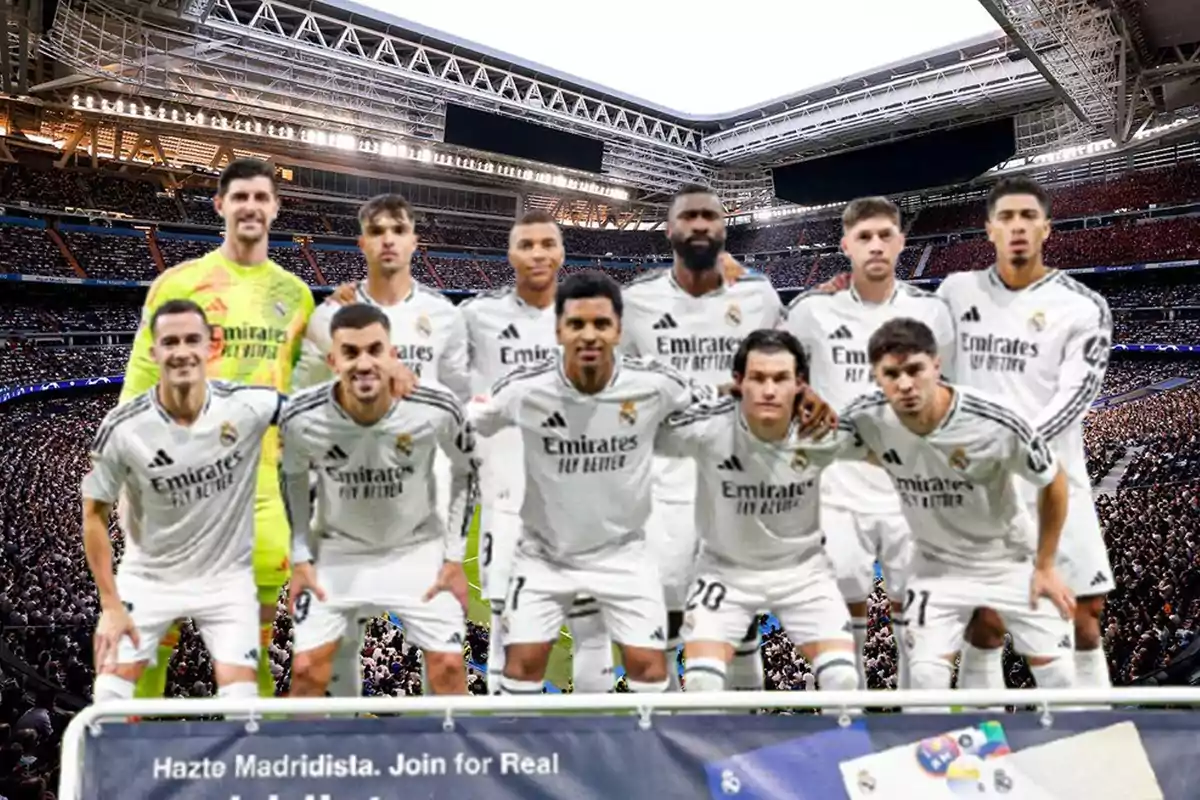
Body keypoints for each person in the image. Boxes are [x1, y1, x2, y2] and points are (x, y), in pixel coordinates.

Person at [118, 158, 315, 700]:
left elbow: (296, 394)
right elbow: (138, 385)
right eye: (240, 196)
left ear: (275, 207)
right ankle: (133, 771)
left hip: (261, 495)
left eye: (262, 197)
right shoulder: (178, 283)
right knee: (148, 649)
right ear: (220, 205)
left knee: (253, 654)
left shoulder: (296, 295)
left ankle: (257, 768)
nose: (251, 206)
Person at [470, 271, 716, 694]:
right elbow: (472, 417)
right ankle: (523, 760)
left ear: (619, 329)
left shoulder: (654, 384)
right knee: (521, 666)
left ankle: (646, 758)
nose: (589, 335)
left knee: (650, 669)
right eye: (577, 324)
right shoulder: (525, 389)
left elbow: (714, 410)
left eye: (601, 324)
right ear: (558, 329)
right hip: (543, 556)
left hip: (624, 553)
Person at [936, 177, 1114, 695]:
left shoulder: (1083, 307)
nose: (1017, 226)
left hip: (1054, 483)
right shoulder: (956, 292)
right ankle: (979, 752)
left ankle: (1091, 742)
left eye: (1028, 216)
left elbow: (1076, 392)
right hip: (977, 488)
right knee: (984, 619)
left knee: (1084, 615)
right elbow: (933, 376)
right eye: (1006, 217)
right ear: (990, 229)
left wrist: (1010, 443)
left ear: (1046, 228)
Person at [838, 318, 1076, 697]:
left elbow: (1053, 479)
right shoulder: (867, 418)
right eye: (891, 374)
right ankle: (943, 752)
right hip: (937, 564)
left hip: (1008, 558)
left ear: (936, 364)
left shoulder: (994, 420)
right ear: (876, 376)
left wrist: (1046, 563)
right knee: (926, 680)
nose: (904, 384)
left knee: (1061, 677)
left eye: (914, 369)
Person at [295, 193, 468, 699]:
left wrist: (412, 384)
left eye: (399, 229)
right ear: (363, 242)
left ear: (415, 240)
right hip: (342, 502)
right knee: (337, 647)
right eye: (377, 230)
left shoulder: (443, 315)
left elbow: (461, 407)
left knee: (442, 655)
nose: (389, 238)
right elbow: (304, 402)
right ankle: (347, 758)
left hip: (421, 506)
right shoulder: (330, 317)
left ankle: (439, 764)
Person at [781, 196, 956, 690]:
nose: (876, 245)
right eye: (864, 236)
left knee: (916, 639)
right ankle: (843, 736)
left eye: (885, 235)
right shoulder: (811, 312)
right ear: (846, 245)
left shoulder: (932, 311)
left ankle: (914, 739)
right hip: (838, 491)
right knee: (841, 639)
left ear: (901, 241)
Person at [621, 183, 786, 691]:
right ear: (669, 229)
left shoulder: (758, 296)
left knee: (740, 622)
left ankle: (745, 735)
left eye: (709, 217)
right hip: (665, 481)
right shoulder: (636, 302)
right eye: (687, 216)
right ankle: (669, 743)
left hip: (738, 479)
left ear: (723, 227)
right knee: (662, 620)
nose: (698, 225)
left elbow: (783, 376)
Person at [83, 300, 283, 705]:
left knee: (243, 700)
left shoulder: (245, 405)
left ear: (211, 346)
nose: (181, 350)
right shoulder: (122, 426)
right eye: (169, 341)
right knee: (110, 697)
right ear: (153, 351)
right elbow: (93, 517)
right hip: (151, 578)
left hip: (225, 577)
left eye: (192, 339)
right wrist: (110, 603)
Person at [460, 210, 613, 694]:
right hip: (508, 501)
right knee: (508, 622)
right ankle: (505, 743)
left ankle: (600, 742)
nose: (539, 253)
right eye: (527, 244)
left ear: (561, 253)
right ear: (512, 253)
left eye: (548, 244)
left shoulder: (589, 324)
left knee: (593, 627)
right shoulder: (477, 318)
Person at [656, 330, 858, 694]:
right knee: (701, 681)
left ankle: (840, 749)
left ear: (800, 384)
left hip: (803, 573)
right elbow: (637, 428)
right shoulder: (707, 426)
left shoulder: (822, 430)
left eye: (780, 379)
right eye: (758, 378)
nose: (768, 390)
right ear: (739, 382)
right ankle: (717, 751)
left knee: (843, 679)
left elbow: (892, 444)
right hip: (724, 572)